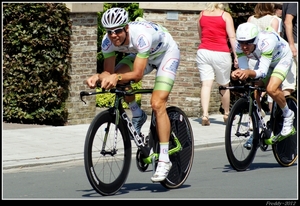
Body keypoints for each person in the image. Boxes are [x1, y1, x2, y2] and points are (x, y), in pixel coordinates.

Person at [86, 8, 180, 182]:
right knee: (117, 77)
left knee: (157, 103)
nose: (113, 35)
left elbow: (137, 75)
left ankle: (164, 159)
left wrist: (116, 76)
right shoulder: (107, 41)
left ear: (126, 28)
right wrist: (98, 77)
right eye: (109, 31)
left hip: (165, 55)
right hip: (141, 56)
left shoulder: (140, 36)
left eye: (118, 30)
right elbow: (109, 73)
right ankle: (137, 114)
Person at [232, 22, 295, 148]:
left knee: (271, 89)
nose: (244, 46)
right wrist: (239, 73)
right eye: (241, 42)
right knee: (253, 90)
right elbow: (245, 70)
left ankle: (288, 115)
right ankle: (258, 127)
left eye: (248, 42)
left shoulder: (266, 41)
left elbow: (262, 72)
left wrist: (247, 72)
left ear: (255, 39)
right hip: (265, 61)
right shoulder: (238, 46)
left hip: (281, 59)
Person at [196, 3, 238, 126]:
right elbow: (232, 37)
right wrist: (236, 56)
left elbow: (201, 35)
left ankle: (205, 114)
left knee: (206, 84)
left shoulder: (202, 15)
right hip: (221, 53)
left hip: (203, 51)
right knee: (224, 84)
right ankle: (226, 114)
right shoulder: (225, 16)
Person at [247, 3, 281, 114]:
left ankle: (256, 113)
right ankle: (273, 114)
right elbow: (275, 39)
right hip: (267, 56)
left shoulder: (251, 19)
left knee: (255, 86)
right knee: (272, 86)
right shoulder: (274, 20)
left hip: (253, 57)